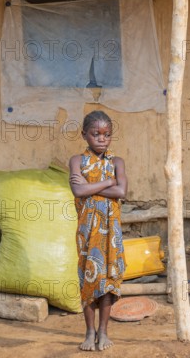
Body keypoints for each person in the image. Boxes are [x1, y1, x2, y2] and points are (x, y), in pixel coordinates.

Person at [69, 110, 127, 351]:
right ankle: (89, 331)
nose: (102, 139)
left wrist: (91, 186)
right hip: (87, 232)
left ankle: (103, 331)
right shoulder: (76, 161)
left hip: (110, 233)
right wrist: (108, 183)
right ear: (84, 135)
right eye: (96, 134)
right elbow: (78, 192)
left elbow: (121, 192)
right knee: (88, 281)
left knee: (107, 282)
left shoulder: (117, 162)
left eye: (107, 134)